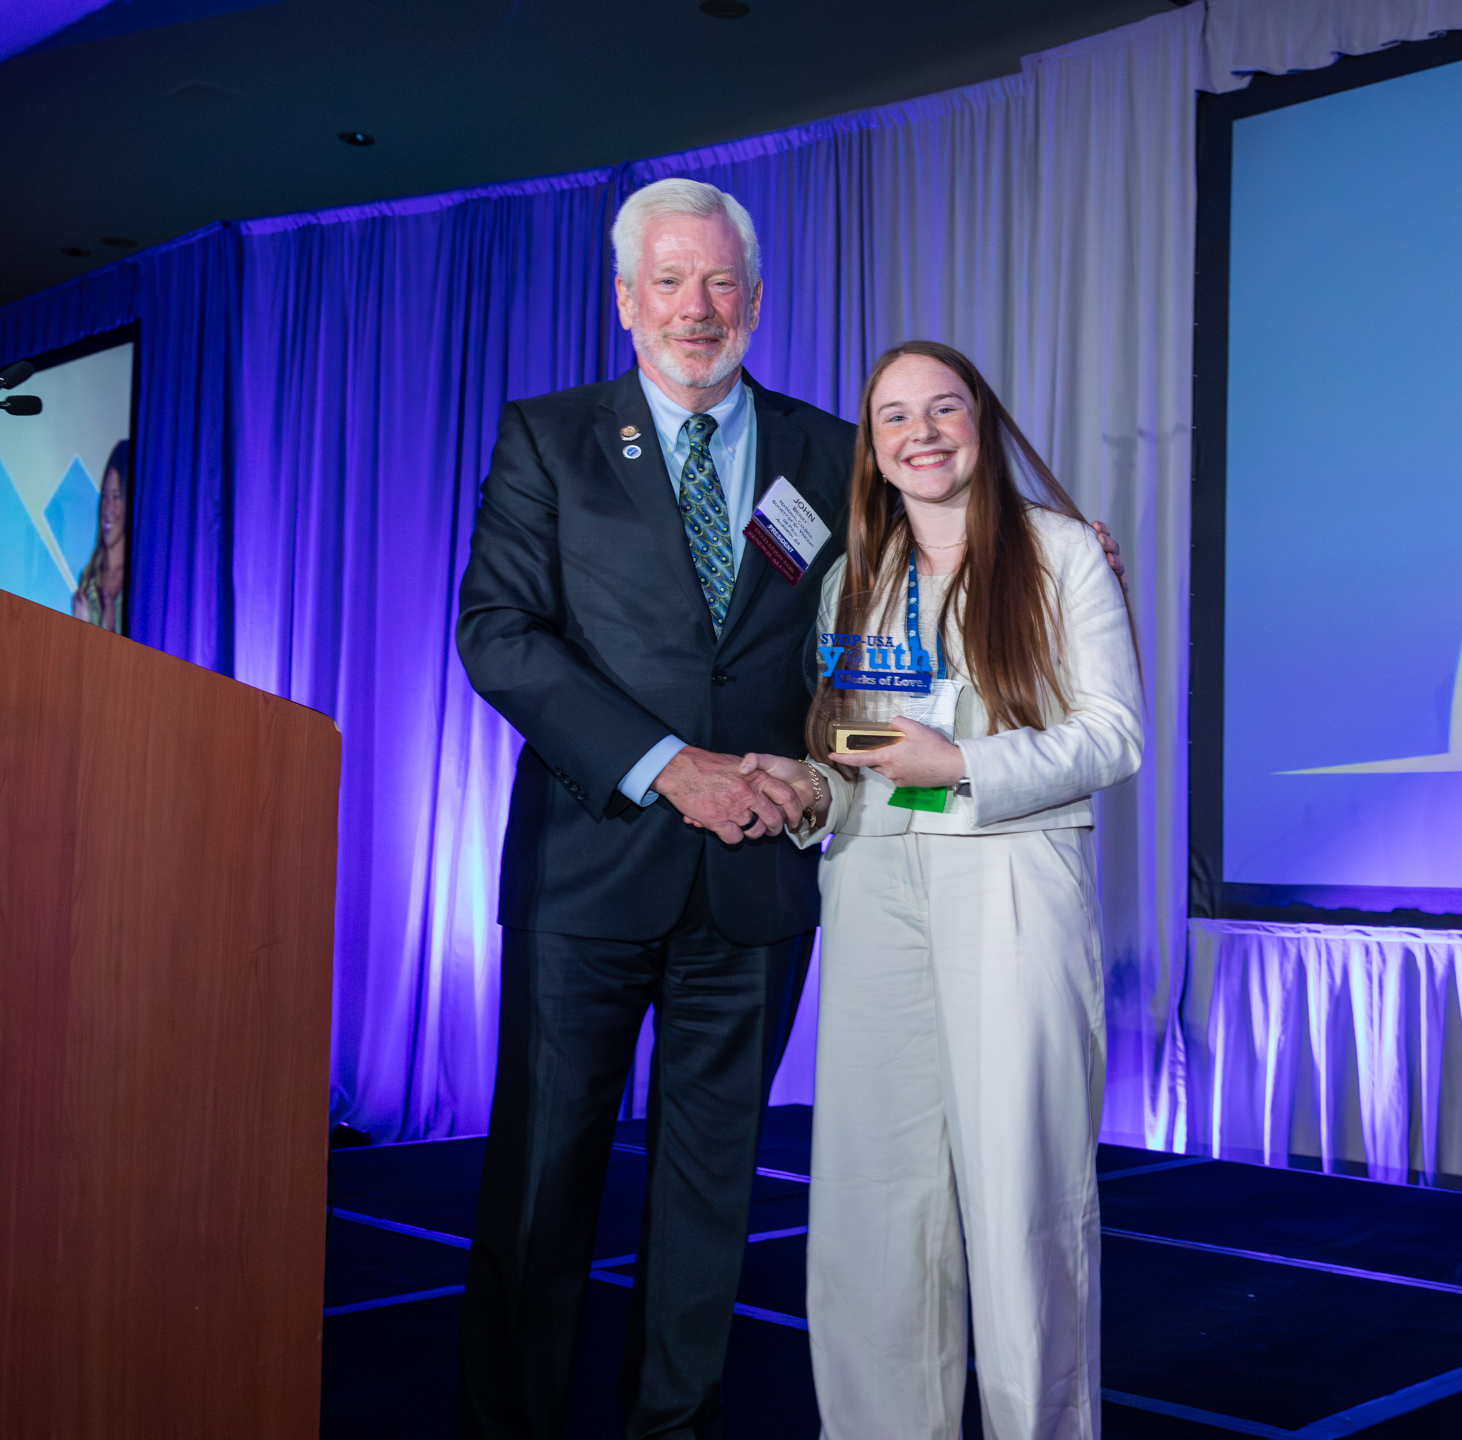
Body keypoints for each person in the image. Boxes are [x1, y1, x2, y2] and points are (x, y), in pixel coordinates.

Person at [455, 177, 855, 1439]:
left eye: (720, 281)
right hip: (588, 870)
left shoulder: (832, 454)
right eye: (670, 282)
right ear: (626, 299)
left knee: (709, 1197)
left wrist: (1056, 556)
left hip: (756, 880)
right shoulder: (549, 438)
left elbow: (907, 605)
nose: (697, 307)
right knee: (542, 1186)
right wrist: (666, 764)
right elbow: (497, 634)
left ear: (756, 300)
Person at [744, 341, 1144, 1438]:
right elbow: (861, 751)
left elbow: (1115, 735)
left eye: (943, 408)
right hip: (872, 878)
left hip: (1009, 873)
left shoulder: (1061, 551)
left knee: (1021, 1196)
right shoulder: (853, 577)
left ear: (983, 421)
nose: (919, 433)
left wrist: (963, 763)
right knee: (872, 1198)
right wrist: (813, 788)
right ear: (872, 449)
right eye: (893, 417)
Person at [72, 439, 129, 631]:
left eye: (116, 496)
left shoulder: (140, 580)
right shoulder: (88, 579)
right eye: (104, 495)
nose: (107, 508)